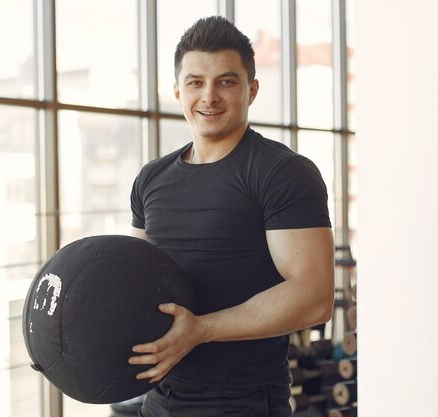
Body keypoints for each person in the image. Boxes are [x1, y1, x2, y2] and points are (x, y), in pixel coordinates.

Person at [127, 16, 334, 417]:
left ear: (251, 89)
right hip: (158, 401)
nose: (209, 96)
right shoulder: (151, 179)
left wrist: (201, 330)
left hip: (242, 402)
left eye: (226, 81)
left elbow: (314, 297)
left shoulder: (282, 172)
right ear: (177, 91)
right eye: (195, 82)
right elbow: (132, 283)